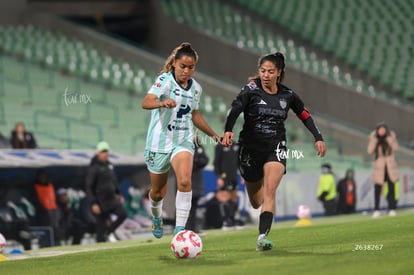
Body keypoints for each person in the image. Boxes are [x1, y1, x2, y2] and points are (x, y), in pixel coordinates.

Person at [221, 52, 327, 251]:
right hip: (250, 149)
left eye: (270, 71)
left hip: (276, 147)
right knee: (256, 202)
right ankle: (255, 191)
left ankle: (262, 237)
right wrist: (228, 129)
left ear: (279, 72)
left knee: (270, 191)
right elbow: (234, 110)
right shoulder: (250, 90)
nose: (266, 75)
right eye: (262, 71)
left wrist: (318, 137)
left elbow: (304, 114)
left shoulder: (288, 95)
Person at [141, 42, 221, 239]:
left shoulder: (196, 89)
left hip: (183, 140)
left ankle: (180, 230)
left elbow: (194, 114)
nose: (186, 71)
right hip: (159, 142)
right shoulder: (164, 81)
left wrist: (214, 135)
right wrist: (162, 102)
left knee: (185, 181)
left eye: (191, 67)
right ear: (175, 63)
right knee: (158, 192)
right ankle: (156, 217)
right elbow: (146, 102)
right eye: (183, 66)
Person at [85, 141, 127, 242]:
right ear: (98, 153)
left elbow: (114, 181)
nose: (105, 153)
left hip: (112, 199)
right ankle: (101, 241)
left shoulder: (109, 165)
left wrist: (119, 194)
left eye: (106, 151)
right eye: (103, 151)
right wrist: (93, 203)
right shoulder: (94, 168)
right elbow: (88, 186)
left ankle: (108, 232)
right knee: (100, 229)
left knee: (123, 214)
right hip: (100, 202)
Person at [367, 122, 399, 218]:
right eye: (380, 129)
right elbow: (369, 151)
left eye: (383, 129)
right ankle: (377, 209)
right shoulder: (374, 139)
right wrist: (375, 141)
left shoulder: (391, 137)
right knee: (377, 189)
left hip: (389, 166)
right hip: (379, 167)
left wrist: (389, 139)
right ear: (377, 130)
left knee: (391, 188)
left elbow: (396, 148)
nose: (382, 131)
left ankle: (391, 208)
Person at [213, 142, 241, 230]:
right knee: (224, 197)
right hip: (224, 176)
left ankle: (232, 220)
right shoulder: (220, 146)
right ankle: (225, 221)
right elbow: (216, 163)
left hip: (234, 176)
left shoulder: (236, 145)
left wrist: (243, 175)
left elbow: (239, 161)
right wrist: (219, 177)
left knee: (233, 198)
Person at [186, 135, 209, 233]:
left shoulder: (199, 147)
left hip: (196, 182)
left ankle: (193, 228)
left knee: (194, 206)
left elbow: (205, 160)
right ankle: (184, 228)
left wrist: (194, 162)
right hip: (186, 179)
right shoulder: (183, 146)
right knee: (185, 206)